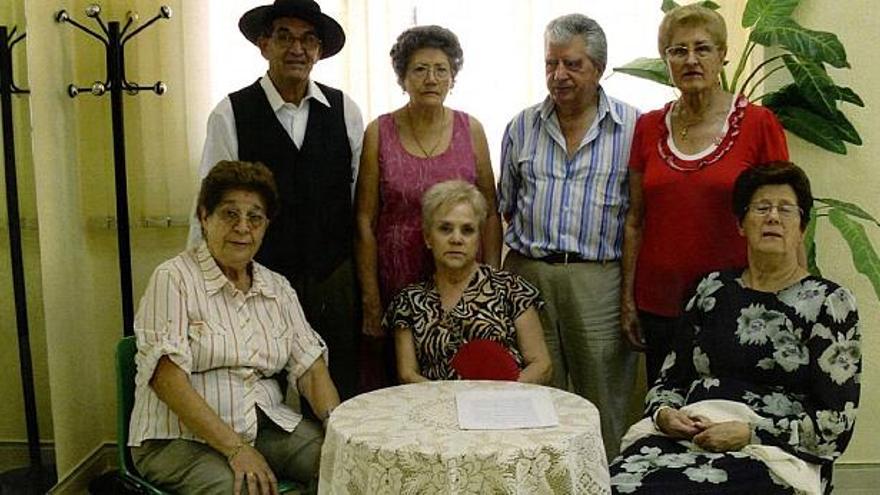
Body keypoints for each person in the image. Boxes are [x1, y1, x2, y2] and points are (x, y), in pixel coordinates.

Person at [610, 163, 861, 495]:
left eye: (786, 209)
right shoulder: (711, 290)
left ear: (802, 228)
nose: (773, 217)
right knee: (612, 485)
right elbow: (669, 381)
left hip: (774, 451)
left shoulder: (831, 303)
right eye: (761, 208)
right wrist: (665, 413)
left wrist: (750, 433)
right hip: (689, 435)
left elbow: (835, 425)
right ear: (741, 225)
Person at [187, 0, 364, 399]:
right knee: (261, 387)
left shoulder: (345, 111)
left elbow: (358, 198)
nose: (297, 48)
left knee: (340, 383)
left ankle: (337, 460)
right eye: (284, 36)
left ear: (319, 51)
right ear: (264, 44)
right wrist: (200, 283)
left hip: (332, 277)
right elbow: (207, 205)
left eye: (308, 39)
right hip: (258, 275)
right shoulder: (230, 113)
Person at [131, 161, 341, 495]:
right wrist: (236, 449)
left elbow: (311, 369)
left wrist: (335, 425)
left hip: (263, 424)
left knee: (342, 464)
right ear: (204, 217)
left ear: (265, 226)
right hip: (180, 438)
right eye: (230, 214)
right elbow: (166, 379)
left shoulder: (277, 288)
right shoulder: (173, 278)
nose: (243, 227)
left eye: (255, 217)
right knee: (244, 489)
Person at [620, 4, 790, 385]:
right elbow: (635, 220)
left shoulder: (759, 124)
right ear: (666, 60)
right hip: (659, 304)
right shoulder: (647, 127)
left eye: (702, 48)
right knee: (665, 415)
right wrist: (628, 300)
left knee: (726, 416)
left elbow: (785, 214)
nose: (691, 60)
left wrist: (788, 296)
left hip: (737, 301)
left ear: (722, 54)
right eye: (678, 51)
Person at [498, 13, 639, 458]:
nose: (558, 76)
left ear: (598, 69)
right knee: (536, 397)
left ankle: (605, 481)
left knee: (603, 397)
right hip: (529, 275)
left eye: (572, 64)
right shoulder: (521, 126)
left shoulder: (634, 128)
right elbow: (506, 205)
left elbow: (639, 214)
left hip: (598, 279)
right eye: (550, 64)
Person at [354, 25, 502, 391]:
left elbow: (492, 213)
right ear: (403, 77)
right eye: (419, 69)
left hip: (460, 278)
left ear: (453, 76)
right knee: (396, 384)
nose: (431, 78)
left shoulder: (472, 130)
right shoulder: (379, 131)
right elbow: (364, 219)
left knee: (463, 380)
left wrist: (492, 281)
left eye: (441, 69)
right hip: (395, 279)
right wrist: (372, 299)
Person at [384, 180, 551, 384]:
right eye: (445, 229)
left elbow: (541, 365)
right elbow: (407, 374)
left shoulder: (512, 289)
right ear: (428, 238)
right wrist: (450, 403)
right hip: (435, 408)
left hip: (504, 408)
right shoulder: (408, 301)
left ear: (478, 238)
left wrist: (499, 398)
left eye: (467, 230)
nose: (456, 239)